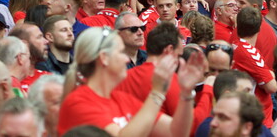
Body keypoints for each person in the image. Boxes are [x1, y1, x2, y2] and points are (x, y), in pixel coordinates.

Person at [56, 26, 205, 136]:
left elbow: (176, 132)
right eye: (121, 52)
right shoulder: (78, 102)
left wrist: (186, 94)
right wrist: (157, 93)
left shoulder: (121, 99)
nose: (127, 59)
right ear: (104, 58)